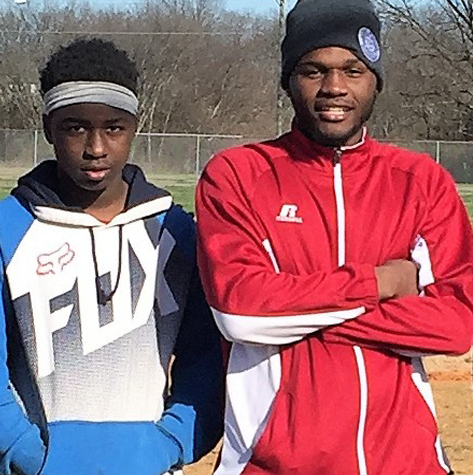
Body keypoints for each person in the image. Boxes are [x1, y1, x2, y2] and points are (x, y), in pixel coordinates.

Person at [196, 0, 473, 473]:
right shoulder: (238, 175)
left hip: (408, 463)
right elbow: (240, 311)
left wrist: (292, 303)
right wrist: (380, 284)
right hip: (274, 464)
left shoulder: (421, 180)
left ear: (375, 80)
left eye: (353, 69)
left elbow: (455, 325)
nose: (334, 88)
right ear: (288, 79)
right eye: (313, 70)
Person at [0, 38, 224, 475]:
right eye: (75, 128)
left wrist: (169, 444)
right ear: (47, 128)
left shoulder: (175, 232)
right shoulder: (0, 231)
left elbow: (206, 363)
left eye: (114, 128)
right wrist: (29, 455)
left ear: (135, 125)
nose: (96, 148)